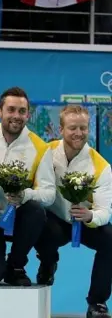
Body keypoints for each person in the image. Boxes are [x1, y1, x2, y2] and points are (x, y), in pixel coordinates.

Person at [0, 87, 55, 286]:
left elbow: (49, 194)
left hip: (17, 218)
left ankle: (16, 265)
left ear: (28, 114)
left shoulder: (40, 148)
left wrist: (24, 195)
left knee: (35, 210)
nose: (16, 116)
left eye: (22, 111)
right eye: (11, 110)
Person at [35, 104, 112, 318]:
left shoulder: (101, 167)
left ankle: (97, 303)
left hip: (85, 222)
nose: (78, 133)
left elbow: (105, 210)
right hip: (55, 220)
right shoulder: (46, 153)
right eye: (72, 128)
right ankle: (48, 262)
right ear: (61, 130)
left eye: (83, 128)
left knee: (110, 239)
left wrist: (91, 216)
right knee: (36, 220)